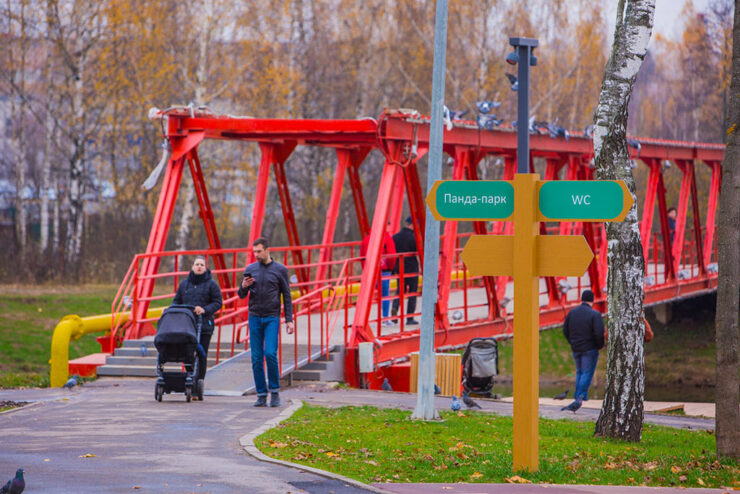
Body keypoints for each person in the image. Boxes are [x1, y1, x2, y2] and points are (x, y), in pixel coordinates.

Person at [238, 238, 294, 408]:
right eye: (254, 252)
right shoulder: (251, 269)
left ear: (267, 250)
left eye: (259, 251)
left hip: (272, 317)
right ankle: (261, 394)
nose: (256, 255)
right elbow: (241, 295)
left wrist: (289, 320)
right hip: (255, 316)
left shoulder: (280, 270)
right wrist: (244, 286)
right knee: (256, 358)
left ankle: (275, 391)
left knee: (270, 353)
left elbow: (287, 295)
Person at [172, 255, 223, 397]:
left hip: (204, 325)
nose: (199, 267)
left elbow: (218, 302)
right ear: (192, 267)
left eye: (201, 264)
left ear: (205, 267)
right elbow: (176, 301)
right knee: (188, 354)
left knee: (201, 354)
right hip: (187, 325)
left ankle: (197, 385)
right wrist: (170, 309)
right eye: (196, 264)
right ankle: (188, 381)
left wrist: (205, 309)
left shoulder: (212, 285)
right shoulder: (184, 284)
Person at [562, 289, 605, 408]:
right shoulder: (595, 314)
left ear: (582, 299)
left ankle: (579, 396)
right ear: (592, 300)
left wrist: (572, 342)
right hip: (589, 348)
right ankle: (580, 397)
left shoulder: (572, 312)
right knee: (586, 373)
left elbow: (565, 330)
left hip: (576, 347)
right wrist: (599, 345)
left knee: (579, 372)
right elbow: (598, 333)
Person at [360, 223, 396, 326]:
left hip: (370, 272)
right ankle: (385, 319)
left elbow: (362, 256)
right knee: (385, 295)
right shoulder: (387, 239)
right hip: (384, 271)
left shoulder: (366, 239)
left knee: (367, 296)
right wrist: (390, 267)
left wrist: (365, 270)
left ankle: (363, 320)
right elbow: (391, 256)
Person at [391, 216, 420, 325]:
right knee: (412, 293)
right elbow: (419, 250)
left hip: (400, 268)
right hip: (412, 268)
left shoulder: (395, 237)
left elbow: (392, 252)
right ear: (413, 224)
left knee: (400, 291)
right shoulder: (413, 237)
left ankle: (394, 308)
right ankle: (409, 318)